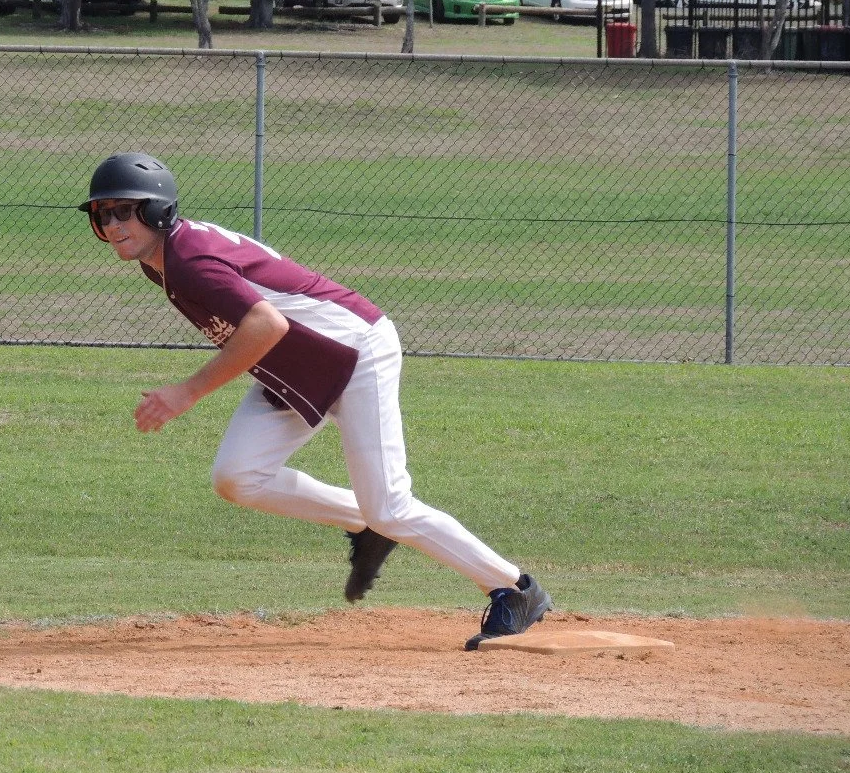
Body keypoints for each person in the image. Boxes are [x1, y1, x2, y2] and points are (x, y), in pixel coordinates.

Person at [79, 152, 552, 649]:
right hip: (297, 365)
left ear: (156, 212)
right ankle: (366, 523)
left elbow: (266, 324)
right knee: (238, 476)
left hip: (354, 353)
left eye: (124, 210)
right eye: (102, 214)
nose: (112, 224)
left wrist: (186, 392)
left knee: (390, 505)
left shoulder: (190, 260)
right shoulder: (163, 260)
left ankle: (514, 588)